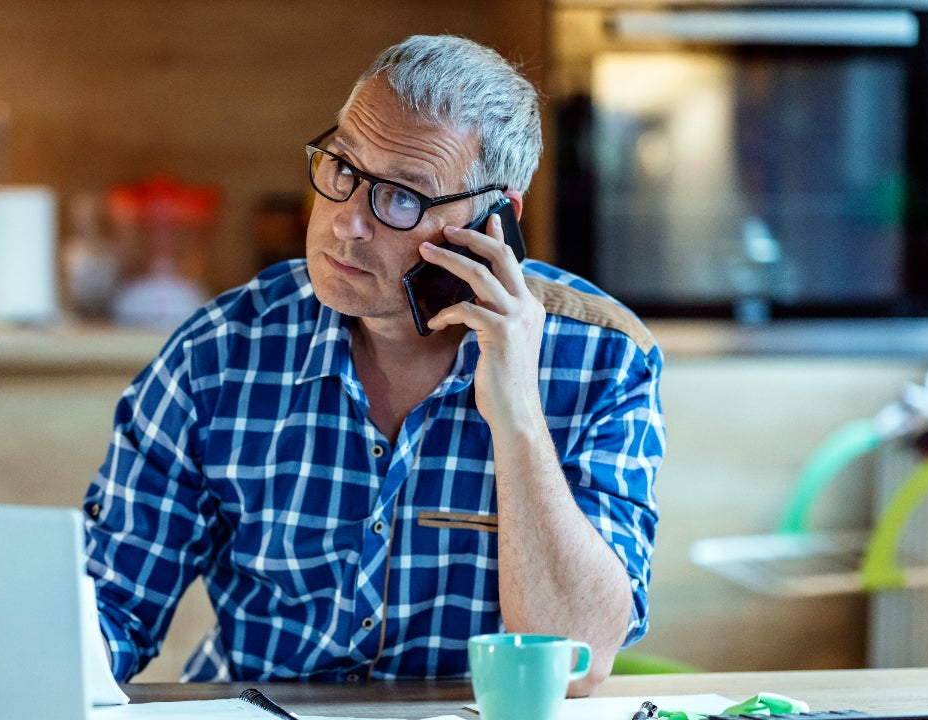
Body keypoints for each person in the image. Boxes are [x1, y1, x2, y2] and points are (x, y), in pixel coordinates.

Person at [83, 34, 663, 695]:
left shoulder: (604, 359)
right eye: (343, 169)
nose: (346, 223)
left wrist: (519, 418)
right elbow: (110, 605)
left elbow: (577, 665)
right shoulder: (219, 353)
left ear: (493, 220)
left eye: (401, 198)